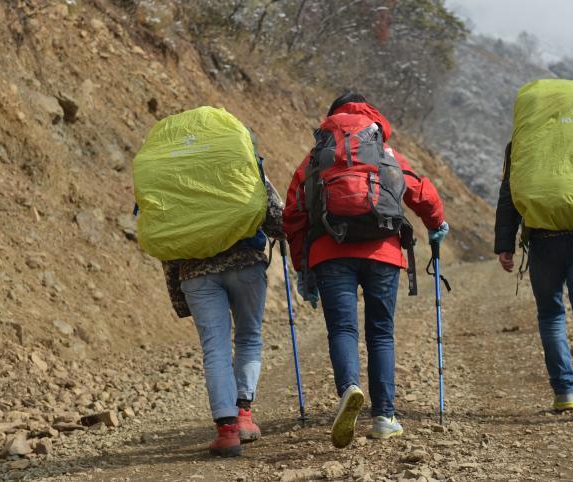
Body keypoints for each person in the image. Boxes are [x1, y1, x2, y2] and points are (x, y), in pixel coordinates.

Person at [284, 92, 449, 447]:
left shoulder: (317, 155)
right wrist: (436, 224)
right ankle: (385, 416)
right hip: (383, 251)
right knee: (380, 333)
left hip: (330, 252)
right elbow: (419, 189)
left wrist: (303, 268)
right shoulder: (382, 148)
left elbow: (294, 211)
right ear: (371, 114)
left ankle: (349, 389)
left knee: (342, 328)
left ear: (332, 118)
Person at [161, 159, 285, 457]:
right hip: (245, 264)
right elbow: (277, 217)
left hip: (195, 271)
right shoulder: (241, 162)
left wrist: (178, 295)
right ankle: (244, 414)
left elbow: (166, 239)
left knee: (214, 348)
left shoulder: (174, 177)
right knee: (249, 337)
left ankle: (227, 431)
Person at [494, 142, 573, 418]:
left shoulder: (528, 136)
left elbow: (510, 191)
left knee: (550, 314)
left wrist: (505, 243)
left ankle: (564, 393)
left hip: (543, 238)